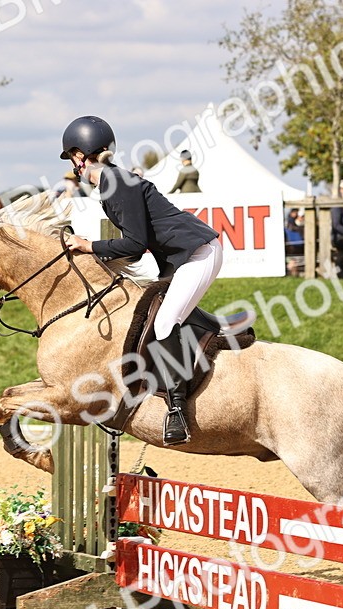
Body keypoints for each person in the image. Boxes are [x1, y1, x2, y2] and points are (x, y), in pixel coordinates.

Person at [58, 115, 224, 446]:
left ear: (81, 153)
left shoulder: (116, 183)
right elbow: (134, 252)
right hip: (181, 257)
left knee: (164, 323)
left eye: (73, 157)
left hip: (198, 254)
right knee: (154, 310)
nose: (74, 166)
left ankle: (177, 411)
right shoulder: (112, 184)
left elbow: (134, 244)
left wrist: (88, 245)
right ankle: (218, 332)